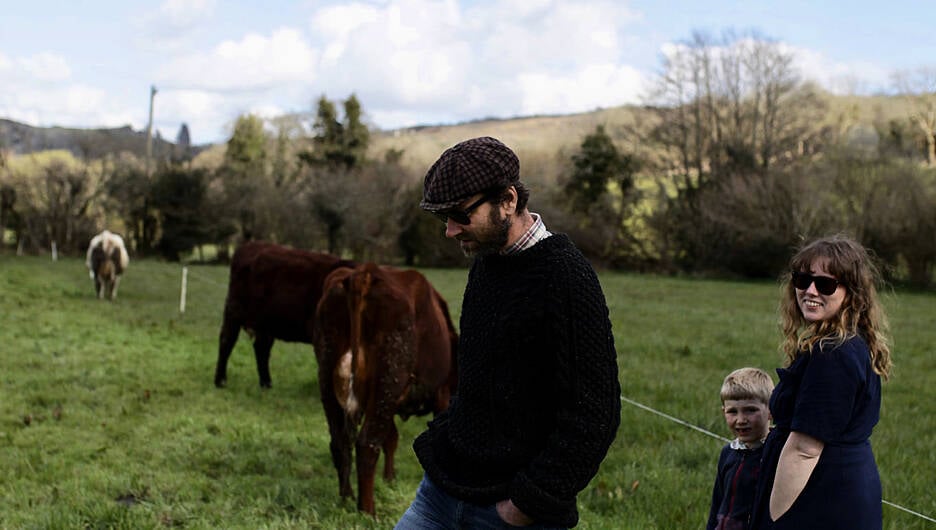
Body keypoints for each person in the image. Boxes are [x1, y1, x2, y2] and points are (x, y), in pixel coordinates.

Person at [395, 136, 621, 529]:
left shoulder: (567, 277)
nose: (449, 231)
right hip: (441, 492)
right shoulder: (486, 265)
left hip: (512, 510)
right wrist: (447, 432)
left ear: (509, 201)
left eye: (459, 215)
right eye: (441, 218)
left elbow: (595, 413)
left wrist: (527, 503)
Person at [750, 235, 892, 530]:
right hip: (834, 487)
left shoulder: (833, 354)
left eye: (825, 284)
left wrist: (774, 519)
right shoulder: (846, 342)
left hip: (820, 495)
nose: (810, 290)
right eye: (802, 280)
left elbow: (805, 449)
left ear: (851, 293)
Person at [706, 367, 774, 530]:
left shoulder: (775, 454)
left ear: (770, 411)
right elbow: (718, 501)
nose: (741, 419)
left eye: (750, 410)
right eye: (732, 412)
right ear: (724, 412)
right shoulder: (728, 453)